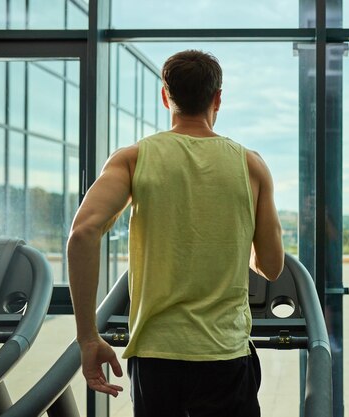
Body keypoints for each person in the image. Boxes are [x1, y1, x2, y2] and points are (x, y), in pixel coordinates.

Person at [67, 49, 285, 417]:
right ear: (217, 99)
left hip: (156, 358)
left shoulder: (132, 158)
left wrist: (88, 337)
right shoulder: (251, 165)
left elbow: (83, 233)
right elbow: (272, 266)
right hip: (225, 354)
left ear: (166, 97)